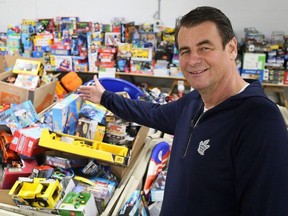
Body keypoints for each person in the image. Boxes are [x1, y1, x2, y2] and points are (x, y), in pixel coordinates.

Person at [78, 6, 288, 216]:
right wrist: (105, 97)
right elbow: (152, 113)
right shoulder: (194, 102)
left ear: (232, 48)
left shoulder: (259, 119)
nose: (193, 60)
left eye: (205, 48)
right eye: (186, 51)